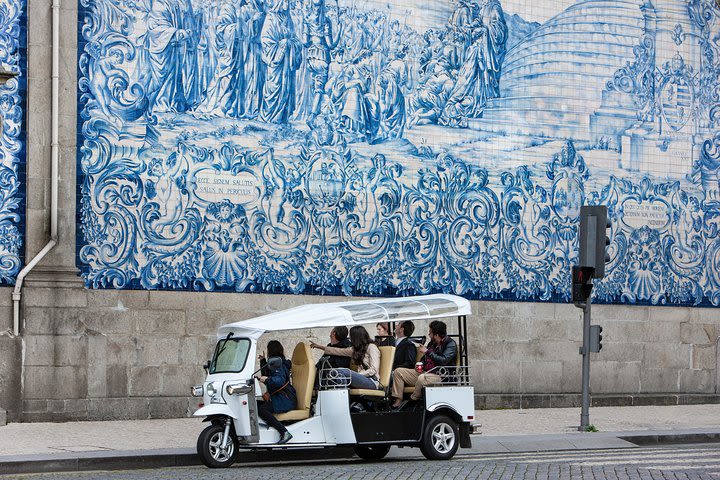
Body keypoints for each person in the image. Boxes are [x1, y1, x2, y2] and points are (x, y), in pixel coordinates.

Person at [390, 320, 457, 408]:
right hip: (425, 372)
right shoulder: (432, 343)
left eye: (430, 333)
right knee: (398, 372)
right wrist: (419, 364)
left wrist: (428, 352)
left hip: (440, 376)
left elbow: (443, 360)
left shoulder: (450, 344)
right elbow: (423, 359)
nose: (428, 334)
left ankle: (412, 400)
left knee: (422, 378)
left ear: (436, 335)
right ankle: (398, 400)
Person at [310, 325, 381, 390]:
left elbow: (373, 370)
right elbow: (337, 351)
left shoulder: (372, 347)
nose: (350, 339)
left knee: (342, 371)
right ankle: (341, 394)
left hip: (372, 381)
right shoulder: (356, 350)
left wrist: (356, 374)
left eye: (351, 337)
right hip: (361, 378)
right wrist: (318, 346)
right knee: (337, 372)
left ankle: (342, 393)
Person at [256, 340, 296, 444]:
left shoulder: (279, 364)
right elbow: (269, 376)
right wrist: (263, 361)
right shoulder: (274, 363)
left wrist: (267, 380)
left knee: (262, 409)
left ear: (270, 351)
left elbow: (279, 380)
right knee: (254, 404)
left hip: (285, 399)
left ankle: (284, 432)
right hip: (280, 398)